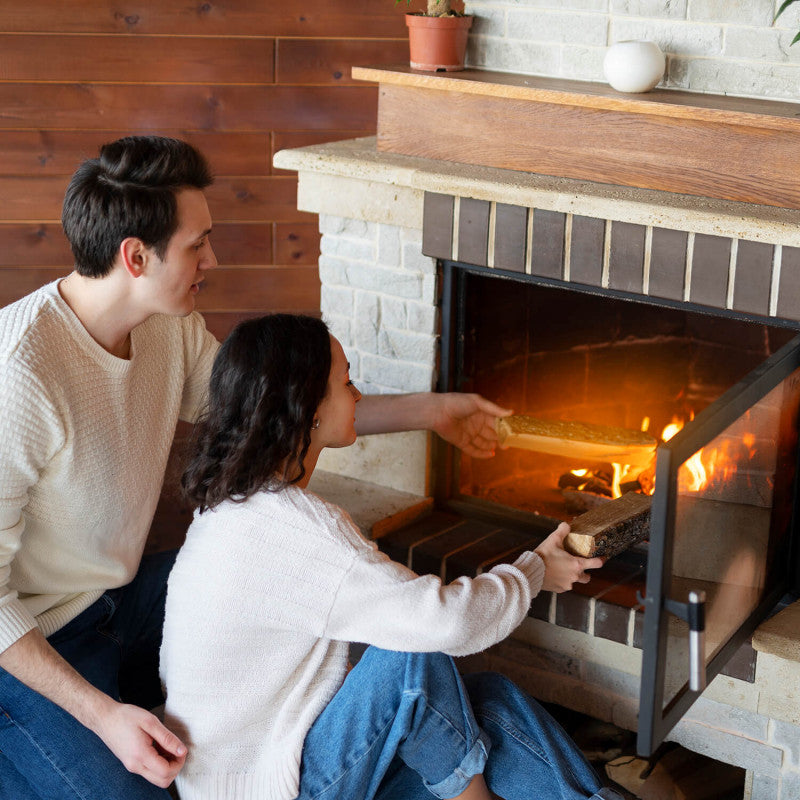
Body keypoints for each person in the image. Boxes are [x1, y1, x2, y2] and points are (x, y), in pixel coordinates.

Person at [0, 135, 514, 800]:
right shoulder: (21, 376)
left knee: (315, 621)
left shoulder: (168, 326)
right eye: (196, 245)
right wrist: (103, 716)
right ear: (134, 256)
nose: (211, 259)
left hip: (121, 598)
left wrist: (436, 410)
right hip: (27, 646)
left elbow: (285, 409)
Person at [160, 313, 620, 800]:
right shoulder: (292, 527)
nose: (357, 395)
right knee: (409, 666)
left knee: (488, 702)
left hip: (264, 771)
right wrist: (534, 571)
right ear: (308, 407)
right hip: (272, 788)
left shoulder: (236, 509)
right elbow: (441, 622)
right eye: (346, 381)